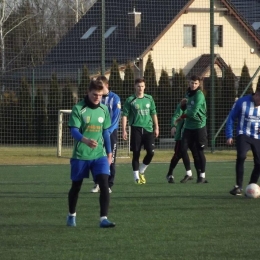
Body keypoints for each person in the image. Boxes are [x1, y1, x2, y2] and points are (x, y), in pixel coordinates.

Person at [66, 79, 115, 228]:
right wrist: (85, 140)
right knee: (76, 186)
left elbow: (106, 132)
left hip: (99, 154)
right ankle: (71, 215)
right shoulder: (78, 109)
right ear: (88, 92)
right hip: (81, 155)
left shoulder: (104, 110)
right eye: (95, 94)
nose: (97, 98)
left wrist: (109, 152)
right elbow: (73, 130)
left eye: (100, 95)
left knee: (104, 183)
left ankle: (103, 219)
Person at [122, 78, 159, 184]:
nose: (140, 88)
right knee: (136, 153)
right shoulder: (130, 100)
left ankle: (142, 170)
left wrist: (157, 127)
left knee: (151, 152)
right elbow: (125, 115)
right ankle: (136, 177)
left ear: (145, 86)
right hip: (136, 129)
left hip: (148, 129)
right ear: (135, 86)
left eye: (142, 86)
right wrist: (124, 130)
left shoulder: (149, 98)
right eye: (138, 86)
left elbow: (153, 113)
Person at [226, 83, 260, 196]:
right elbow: (231, 118)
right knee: (241, 156)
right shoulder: (242, 102)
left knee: (259, 162)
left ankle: (252, 185)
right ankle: (238, 186)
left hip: (257, 137)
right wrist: (229, 135)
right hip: (243, 134)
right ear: (256, 95)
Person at [91, 75, 121, 194]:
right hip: (97, 133)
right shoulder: (96, 99)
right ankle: (98, 183)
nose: (98, 88)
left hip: (110, 133)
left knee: (110, 158)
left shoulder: (115, 98)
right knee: (96, 158)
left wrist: (107, 131)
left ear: (106, 85)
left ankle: (108, 185)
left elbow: (116, 117)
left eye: (101, 86)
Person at [175, 75, 208, 183]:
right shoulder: (188, 93)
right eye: (191, 83)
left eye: (195, 83)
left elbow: (193, 112)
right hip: (188, 127)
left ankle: (202, 175)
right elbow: (186, 108)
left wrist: (181, 117)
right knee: (183, 149)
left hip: (199, 126)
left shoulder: (199, 95)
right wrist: (183, 105)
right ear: (188, 83)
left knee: (199, 151)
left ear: (199, 84)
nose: (193, 85)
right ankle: (189, 173)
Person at [166, 103, 201, 183]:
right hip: (182, 135)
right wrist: (173, 125)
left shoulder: (198, 102)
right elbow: (176, 115)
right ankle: (170, 174)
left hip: (193, 133)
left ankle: (200, 176)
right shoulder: (184, 103)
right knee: (178, 154)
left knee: (196, 154)